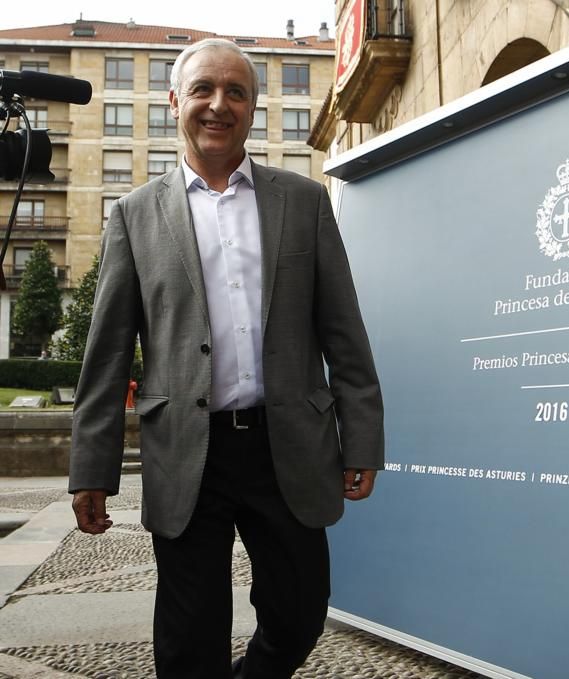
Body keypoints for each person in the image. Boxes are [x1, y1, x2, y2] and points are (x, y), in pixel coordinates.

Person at [68, 38, 384, 678]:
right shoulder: (134, 216)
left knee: (300, 613)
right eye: (204, 90)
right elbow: (106, 356)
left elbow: (343, 332)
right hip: (187, 450)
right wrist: (91, 467)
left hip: (286, 444)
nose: (220, 105)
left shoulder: (303, 201)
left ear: (252, 107)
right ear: (174, 101)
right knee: (189, 635)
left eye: (236, 92)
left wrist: (363, 440)